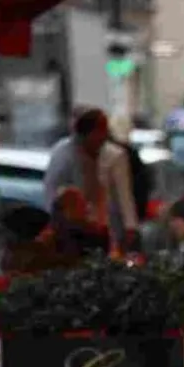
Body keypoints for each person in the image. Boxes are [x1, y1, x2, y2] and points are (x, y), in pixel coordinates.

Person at [43, 108, 138, 257]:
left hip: (105, 227)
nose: (103, 137)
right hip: (72, 229)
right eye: (100, 132)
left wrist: (130, 226)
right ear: (87, 134)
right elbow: (51, 191)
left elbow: (124, 195)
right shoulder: (63, 155)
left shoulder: (115, 156)